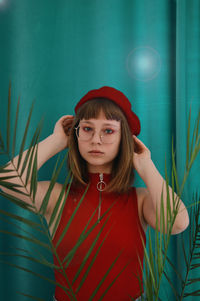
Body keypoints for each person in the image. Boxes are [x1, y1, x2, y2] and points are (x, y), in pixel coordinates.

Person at [0, 86, 189, 301]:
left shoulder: (141, 199)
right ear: (76, 133)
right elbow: (8, 182)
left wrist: (145, 164)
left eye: (108, 130)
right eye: (87, 129)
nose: (96, 140)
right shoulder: (57, 197)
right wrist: (57, 141)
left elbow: (178, 223)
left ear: (124, 138)